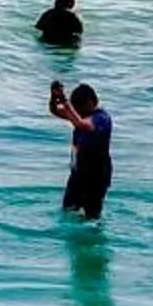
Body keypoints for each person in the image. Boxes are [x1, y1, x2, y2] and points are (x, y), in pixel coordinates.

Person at [48, 82, 113, 221]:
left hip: (97, 175)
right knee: (68, 209)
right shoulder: (80, 115)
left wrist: (65, 102)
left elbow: (84, 125)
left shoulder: (102, 118)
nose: (78, 112)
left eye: (80, 108)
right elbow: (55, 110)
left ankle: (93, 240)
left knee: (92, 215)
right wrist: (54, 97)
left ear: (90, 103)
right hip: (79, 172)